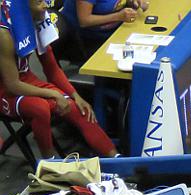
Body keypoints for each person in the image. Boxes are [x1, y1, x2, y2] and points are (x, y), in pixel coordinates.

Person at [0, 0, 118, 159]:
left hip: (25, 79)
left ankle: (119, 160)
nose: (45, 6)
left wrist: (75, 95)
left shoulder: (38, 18)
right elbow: (12, 85)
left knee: (79, 109)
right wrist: (54, 94)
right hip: (5, 90)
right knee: (39, 108)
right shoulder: (4, 35)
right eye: (39, 2)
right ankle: (51, 167)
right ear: (24, 7)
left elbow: (52, 69)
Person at [59, 0, 147, 54]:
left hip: (116, 30)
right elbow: (84, 21)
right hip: (88, 39)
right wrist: (118, 16)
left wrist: (133, 2)